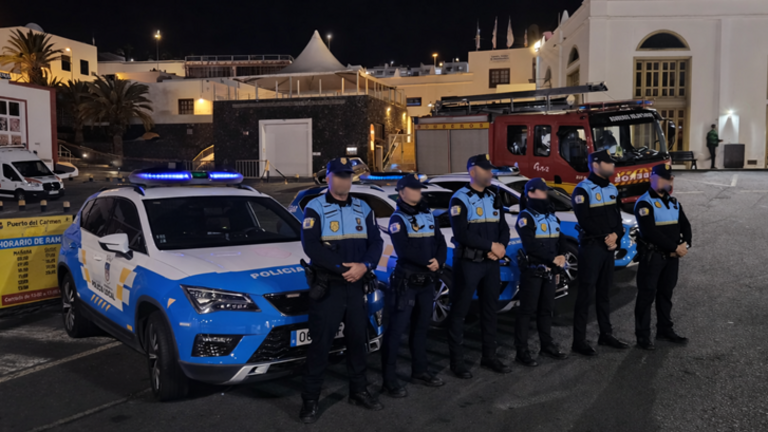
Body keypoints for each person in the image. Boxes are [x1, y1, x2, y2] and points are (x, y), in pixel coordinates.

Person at [299, 157, 384, 423]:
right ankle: (310, 401)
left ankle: (358, 391)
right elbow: (311, 247)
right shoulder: (315, 207)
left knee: (358, 342)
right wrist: (342, 268)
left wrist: (365, 266)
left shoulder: (362, 207)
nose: (344, 180)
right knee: (321, 345)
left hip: (357, 285)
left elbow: (376, 242)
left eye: (347, 176)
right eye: (339, 175)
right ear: (328, 178)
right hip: (330, 287)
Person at [380, 173, 447, 398]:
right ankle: (389, 380)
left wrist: (440, 260)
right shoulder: (398, 218)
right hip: (407, 282)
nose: (419, 191)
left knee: (421, 329)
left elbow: (440, 241)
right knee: (396, 331)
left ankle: (420, 371)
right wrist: (430, 262)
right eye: (414, 188)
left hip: (427, 282)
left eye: (420, 188)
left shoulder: (427, 214)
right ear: (402, 192)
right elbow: (404, 250)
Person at [447, 154, 512, 378]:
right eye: (486, 170)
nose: (490, 173)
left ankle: (489, 357)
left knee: (489, 311)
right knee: (459, 313)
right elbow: (462, 233)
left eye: (490, 169)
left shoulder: (494, 196)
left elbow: (503, 227)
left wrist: (501, 246)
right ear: (473, 172)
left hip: (490, 264)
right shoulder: (459, 199)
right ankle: (457, 363)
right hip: (468, 264)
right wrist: (491, 246)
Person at [571, 149, 630, 356]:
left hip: (607, 248)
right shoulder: (582, 190)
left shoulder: (612, 188)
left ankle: (605, 334)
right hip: (592, 248)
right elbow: (585, 220)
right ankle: (578, 340)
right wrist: (608, 236)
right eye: (609, 163)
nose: (613, 166)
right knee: (586, 294)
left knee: (604, 292)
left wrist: (616, 236)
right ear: (596, 165)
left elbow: (618, 218)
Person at [633, 164, 692, 350]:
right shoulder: (644, 203)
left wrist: (686, 245)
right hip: (653, 258)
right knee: (646, 295)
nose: (668, 181)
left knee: (666, 294)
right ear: (653, 178)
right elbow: (650, 232)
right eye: (664, 178)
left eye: (670, 178)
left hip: (671, 258)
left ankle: (665, 330)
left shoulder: (674, 202)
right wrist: (675, 247)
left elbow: (686, 226)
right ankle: (642, 336)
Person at [514, 178, 570, 366]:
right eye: (542, 191)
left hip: (549, 272)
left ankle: (547, 345)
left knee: (546, 310)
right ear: (531, 193)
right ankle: (521, 351)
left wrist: (561, 254)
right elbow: (531, 246)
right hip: (533, 271)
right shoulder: (525, 217)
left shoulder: (551, 216)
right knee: (526, 311)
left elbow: (560, 238)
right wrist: (552, 259)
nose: (545, 194)